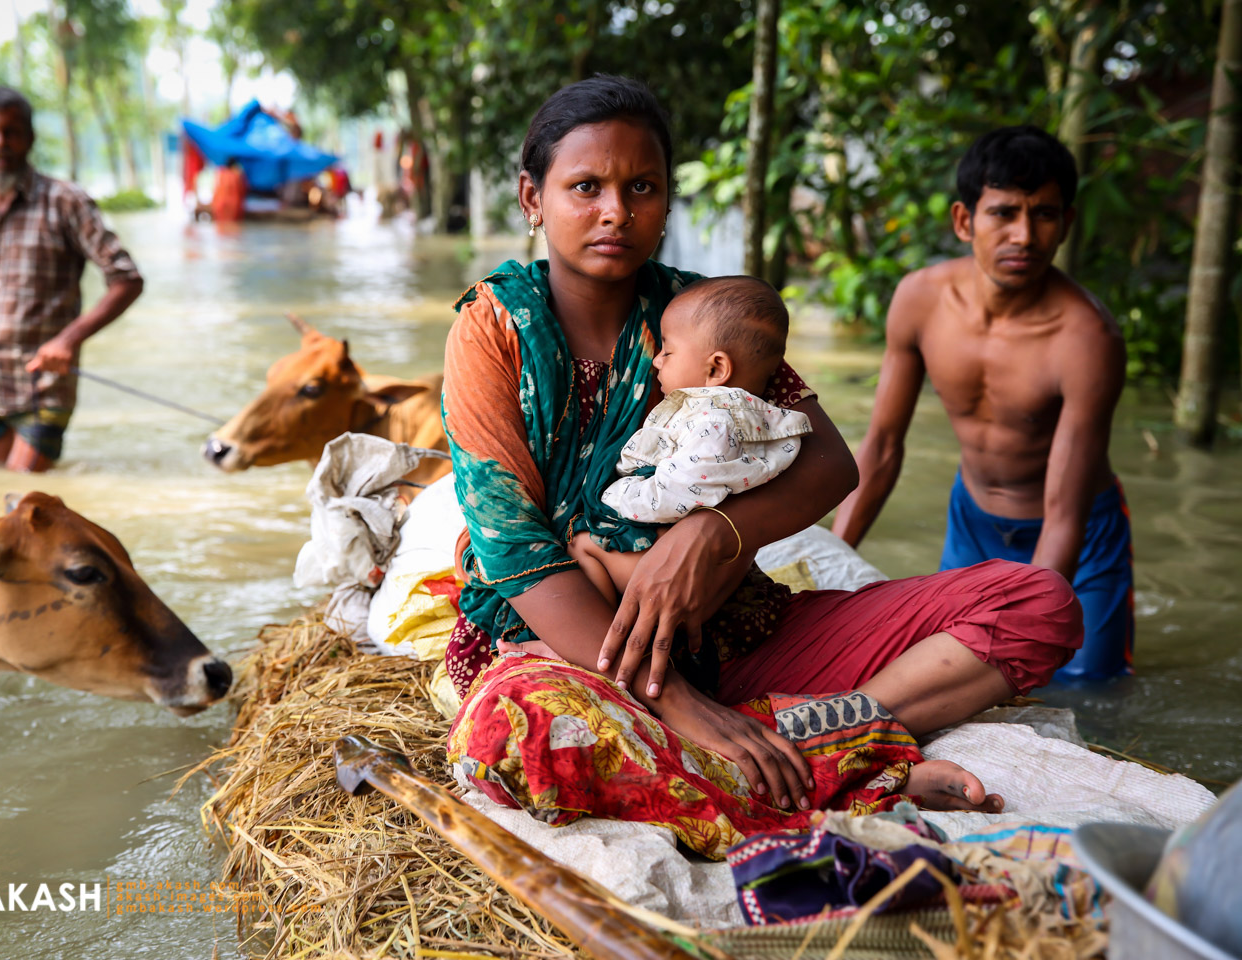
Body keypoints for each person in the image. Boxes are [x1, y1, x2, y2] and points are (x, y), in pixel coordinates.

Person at [440, 76, 1084, 857]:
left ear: (667, 201)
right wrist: (677, 702)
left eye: (642, 187)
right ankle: (827, 755)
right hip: (573, 652)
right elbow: (512, 547)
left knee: (1038, 604)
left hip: (725, 632)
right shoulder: (493, 329)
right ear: (532, 198)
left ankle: (799, 742)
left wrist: (714, 532)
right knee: (515, 735)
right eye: (586, 188)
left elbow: (827, 461)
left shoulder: (702, 314)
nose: (616, 211)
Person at [831, 125, 1130, 681]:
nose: (1025, 235)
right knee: (942, 671)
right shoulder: (920, 301)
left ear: (1066, 223)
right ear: (964, 221)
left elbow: (1065, 512)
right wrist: (830, 561)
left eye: (1044, 214)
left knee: (1091, 692)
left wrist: (1030, 634)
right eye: (1004, 213)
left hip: (1080, 535)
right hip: (972, 526)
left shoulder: (1087, 340)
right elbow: (883, 447)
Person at [0, 86, 143, 473]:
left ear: (30, 138)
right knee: (0, 494)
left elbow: (127, 279)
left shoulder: (65, 202)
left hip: (43, 391)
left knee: (22, 493)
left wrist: (68, 340)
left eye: (11, 132)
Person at [570, 275, 812, 609]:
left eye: (667, 351)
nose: (656, 360)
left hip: (680, 570)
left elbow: (672, 495)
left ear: (716, 368)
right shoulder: (760, 417)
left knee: (581, 543)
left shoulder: (714, 423)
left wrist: (612, 495)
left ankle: (605, 628)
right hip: (719, 560)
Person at [211, 158, 248, 223]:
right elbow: (243, 189)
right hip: (233, 205)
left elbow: (215, 189)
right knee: (232, 225)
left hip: (219, 204)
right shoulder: (237, 175)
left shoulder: (220, 173)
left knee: (221, 224)